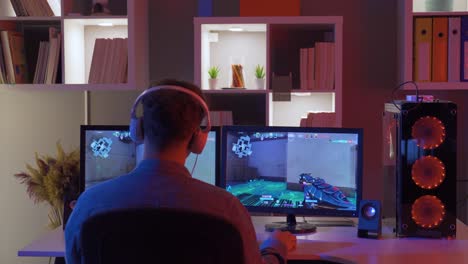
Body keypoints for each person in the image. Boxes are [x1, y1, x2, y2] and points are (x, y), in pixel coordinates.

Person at [64, 79, 296, 264]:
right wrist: (277, 246)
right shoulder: (227, 209)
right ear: (199, 139)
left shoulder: (90, 204)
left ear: (139, 129)